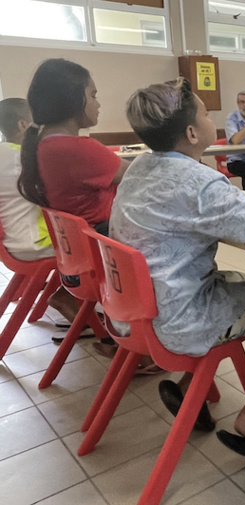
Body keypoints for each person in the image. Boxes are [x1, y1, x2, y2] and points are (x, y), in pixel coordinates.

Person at [112, 78, 245, 443]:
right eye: (207, 114)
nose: (212, 119)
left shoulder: (138, 168)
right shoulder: (199, 182)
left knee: (234, 277)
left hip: (133, 312)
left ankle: (192, 389)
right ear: (192, 132)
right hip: (177, 320)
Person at [16, 59, 133, 347]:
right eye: (93, 95)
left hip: (79, 251)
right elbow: (135, 175)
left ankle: (69, 299)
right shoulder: (78, 148)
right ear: (72, 99)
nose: (98, 103)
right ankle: (137, 339)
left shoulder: (45, 143)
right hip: (104, 248)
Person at [0, 97, 80, 323]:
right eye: (38, 122)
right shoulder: (24, 159)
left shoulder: (4, 154)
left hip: (9, 243)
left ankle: (68, 296)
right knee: (100, 244)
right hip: (36, 243)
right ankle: (67, 296)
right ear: (23, 126)